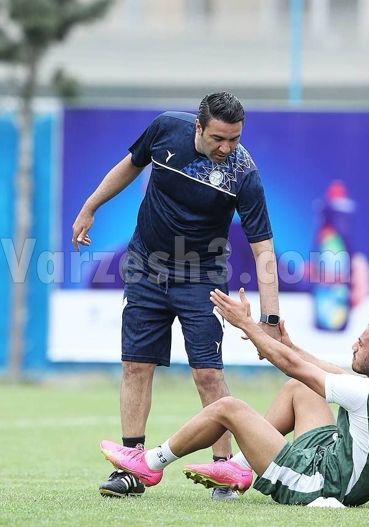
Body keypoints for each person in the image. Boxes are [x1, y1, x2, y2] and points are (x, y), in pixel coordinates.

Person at [72, 92, 282, 500]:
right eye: (219, 138)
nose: (227, 148)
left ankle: (224, 469)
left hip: (202, 278)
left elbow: (264, 249)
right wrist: (90, 206)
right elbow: (128, 168)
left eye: (234, 139)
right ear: (198, 127)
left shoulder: (244, 173)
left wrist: (270, 322)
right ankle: (132, 466)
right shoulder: (167, 127)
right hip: (145, 269)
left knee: (207, 373)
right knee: (136, 366)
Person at [100, 288, 369, 507]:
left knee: (228, 407)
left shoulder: (364, 393)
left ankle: (149, 464)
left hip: (320, 484)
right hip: (340, 471)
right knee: (301, 389)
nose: (354, 345)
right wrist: (288, 345)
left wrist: (246, 324)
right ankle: (239, 467)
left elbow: (292, 367)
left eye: (361, 344)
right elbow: (317, 369)